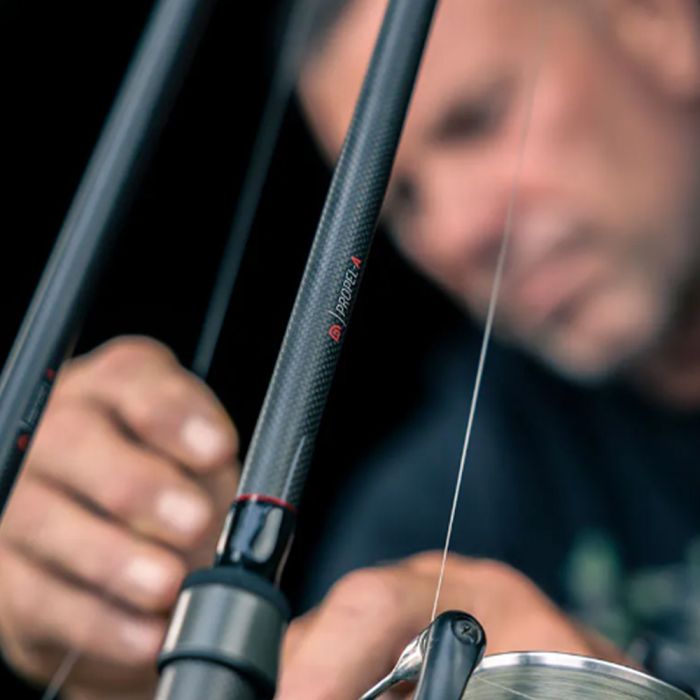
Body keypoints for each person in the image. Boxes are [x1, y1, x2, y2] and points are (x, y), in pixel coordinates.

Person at [2, 0, 700, 697]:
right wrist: (132, 656)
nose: (453, 231)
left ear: (659, 22)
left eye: (477, 120)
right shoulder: (430, 506)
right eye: (404, 199)